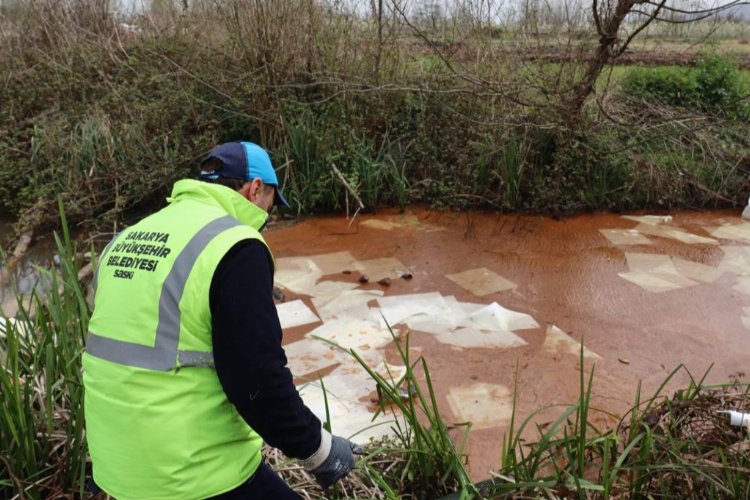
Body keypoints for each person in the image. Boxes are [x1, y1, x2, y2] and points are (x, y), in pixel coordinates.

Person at [83, 141, 360, 499]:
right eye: (270, 205)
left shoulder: (127, 238)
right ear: (256, 189)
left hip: (117, 467)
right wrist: (318, 449)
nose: (266, 217)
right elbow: (257, 381)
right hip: (188, 471)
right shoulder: (235, 245)